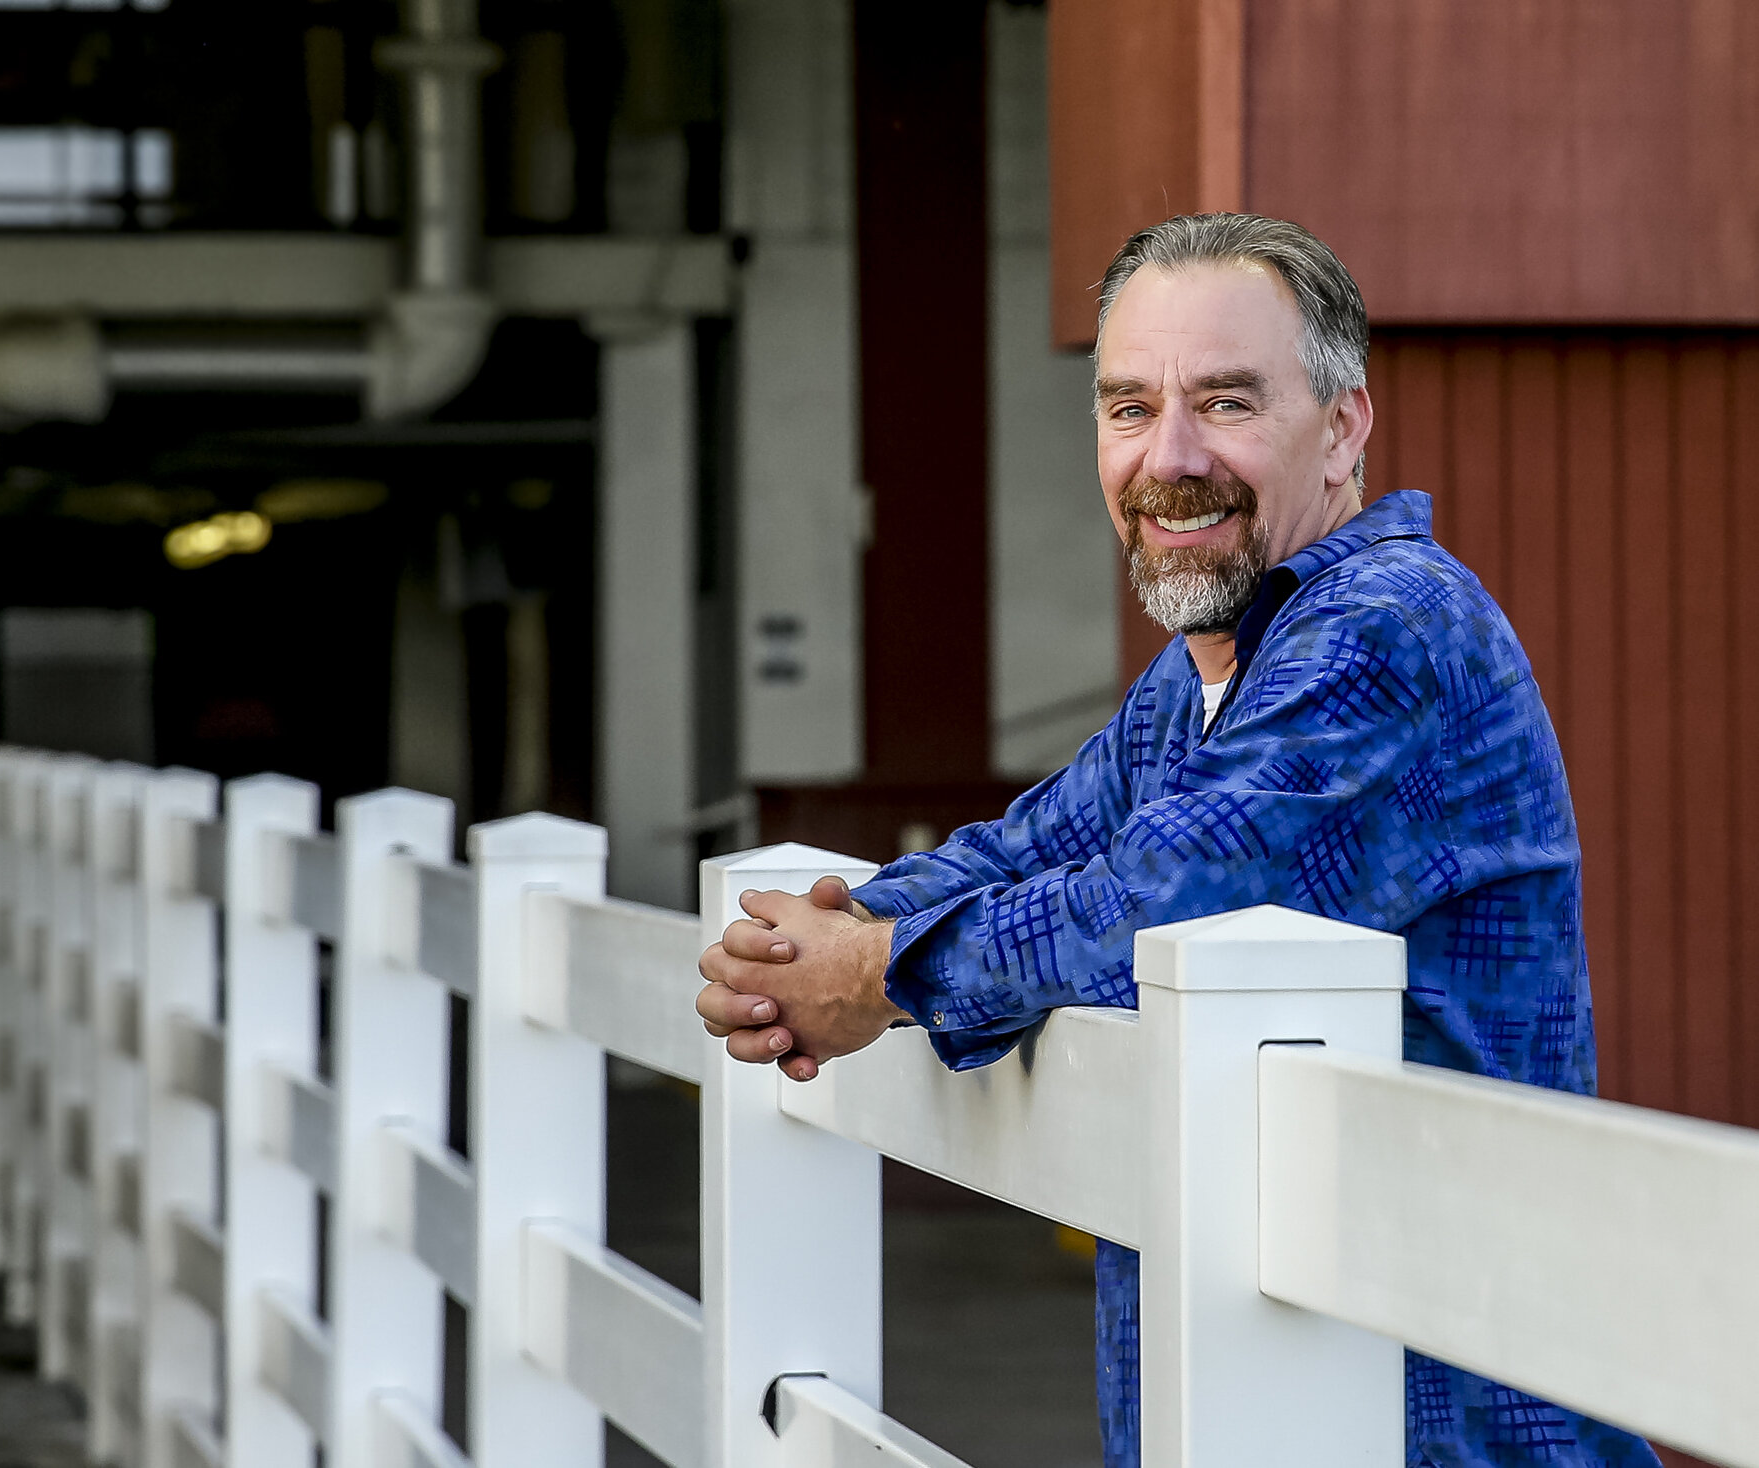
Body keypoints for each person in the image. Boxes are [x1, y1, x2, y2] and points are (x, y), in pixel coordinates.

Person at [694, 213, 1661, 1468]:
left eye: (1224, 402)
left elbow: (1163, 893)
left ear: (1344, 427)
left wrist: (872, 973)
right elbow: (1034, 845)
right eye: (1129, 406)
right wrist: (830, 937)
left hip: (1439, 1415)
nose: (1171, 455)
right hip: (1275, 1387)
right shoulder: (1207, 670)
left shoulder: (1387, 624)